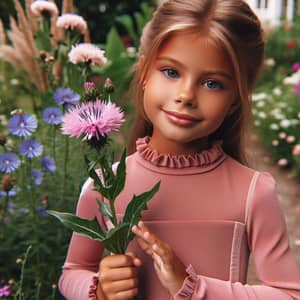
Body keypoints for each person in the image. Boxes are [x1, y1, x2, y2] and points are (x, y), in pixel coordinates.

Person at [58, 0, 300, 299]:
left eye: (212, 83)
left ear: (237, 98)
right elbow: (73, 271)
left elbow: (289, 294)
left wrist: (195, 287)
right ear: (145, 71)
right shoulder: (103, 185)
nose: (185, 95)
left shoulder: (253, 192)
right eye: (171, 72)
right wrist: (98, 289)